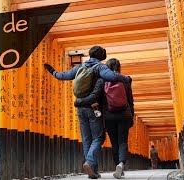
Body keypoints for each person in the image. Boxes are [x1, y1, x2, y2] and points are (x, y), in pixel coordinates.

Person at [44, 46, 131, 179]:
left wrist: (53, 71)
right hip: (93, 107)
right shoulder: (99, 67)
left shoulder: (80, 67)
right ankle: (90, 162)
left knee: (86, 139)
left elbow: (63, 76)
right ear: (101, 55)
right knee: (99, 137)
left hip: (80, 107)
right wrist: (126, 78)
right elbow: (111, 76)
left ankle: (93, 171)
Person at [75, 58, 134, 179]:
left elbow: (100, 101)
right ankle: (121, 164)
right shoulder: (124, 80)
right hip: (124, 115)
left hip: (109, 116)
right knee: (123, 141)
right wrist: (131, 115)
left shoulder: (102, 81)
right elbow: (130, 100)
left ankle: (116, 165)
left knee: (114, 143)